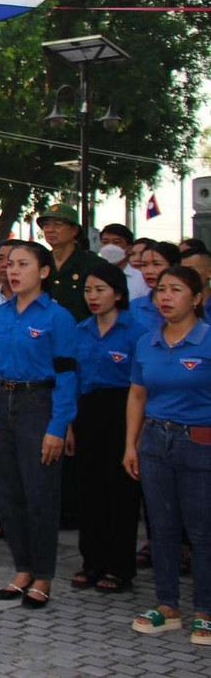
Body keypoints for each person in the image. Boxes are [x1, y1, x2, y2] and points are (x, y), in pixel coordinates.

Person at [0, 240, 79, 609]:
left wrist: (58, 425)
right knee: (9, 493)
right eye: (10, 265)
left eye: (23, 264)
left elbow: (68, 376)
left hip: (40, 404)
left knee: (40, 494)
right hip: (3, 402)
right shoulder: (0, 314)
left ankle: (43, 576)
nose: (13, 271)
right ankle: (21, 569)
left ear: (45, 272)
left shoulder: (58, 317)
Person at [126, 265, 211, 645]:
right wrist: (131, 444)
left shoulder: (208, 340)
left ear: (197, 298)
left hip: (199, 442)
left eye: (176, 290)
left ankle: (205, 611)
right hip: (155, 440)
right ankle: (168, 605)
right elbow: (137, 395)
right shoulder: (147, 342)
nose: (165, 297)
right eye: (161, 290)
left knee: (202, 530)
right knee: (161, 527)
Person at [70, 261, 142, 594]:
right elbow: (72, 380)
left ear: (118, 293)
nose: (93, 297)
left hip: (122, 410)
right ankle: (92, 561)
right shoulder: (81, 330)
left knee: (121, 492)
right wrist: (69, 423)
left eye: (100, 290)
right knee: (90, 490)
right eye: (88, 290)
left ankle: (120, 566)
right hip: (87, 412)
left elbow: (140, 386)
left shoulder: (135, 330)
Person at [37, 205, 104, 322]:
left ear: (74, 230)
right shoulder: (40, 261)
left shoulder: (93, 264)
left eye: (57, 224)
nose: (50, 230)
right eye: (46, 225)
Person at [130, 242, 181, 332]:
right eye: (144, 265)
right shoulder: (134, 307)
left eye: (156, 264)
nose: (149, 271)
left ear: (174, 266)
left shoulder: (186, 304)